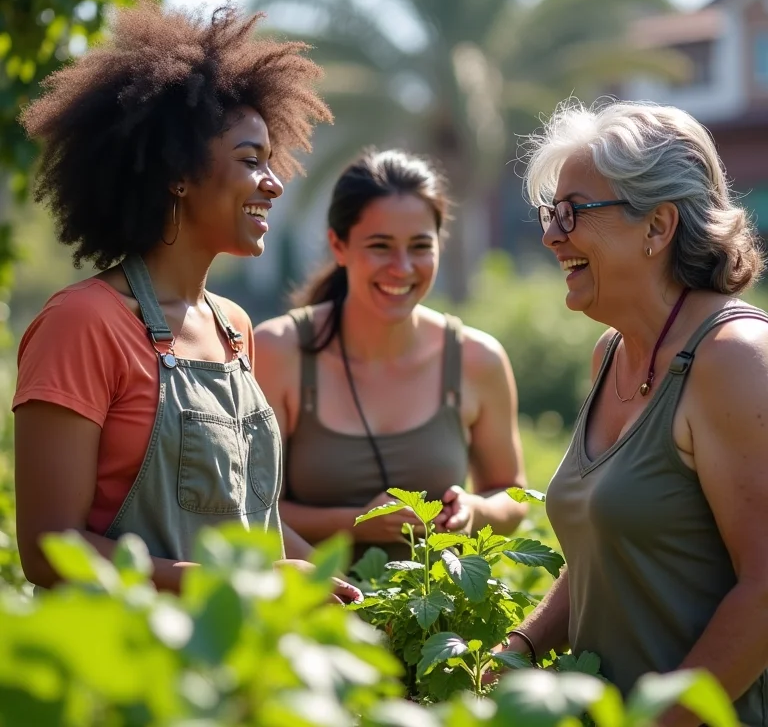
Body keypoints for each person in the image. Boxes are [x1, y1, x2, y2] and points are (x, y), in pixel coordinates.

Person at [13, 0, 360, 603]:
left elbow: (248, 521)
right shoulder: (82, 323)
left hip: (240, 658)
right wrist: (239, 587)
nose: (274, 183)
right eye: (250, 161)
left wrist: (345, 594)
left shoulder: (234, 327)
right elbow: (48, 549)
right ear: (177, 174)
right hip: (127, 657)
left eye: (270, 162)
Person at [501, 99, 768, 726]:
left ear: (658, 226)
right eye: (550, 212)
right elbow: (608, 557)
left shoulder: (734, 360)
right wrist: (517, 651)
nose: (551, 235)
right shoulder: (612, 354)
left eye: (574, 212)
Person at [252, 148, 528, 564]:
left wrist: (476, 511)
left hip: (435, 603)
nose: (402, 267)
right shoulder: (278, 351)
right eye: (380, 246)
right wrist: (356, 523)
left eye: (420, 246)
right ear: (338, 246)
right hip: (308, 600)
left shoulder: (478, 359)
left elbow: (513, 494)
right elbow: (243, 506)